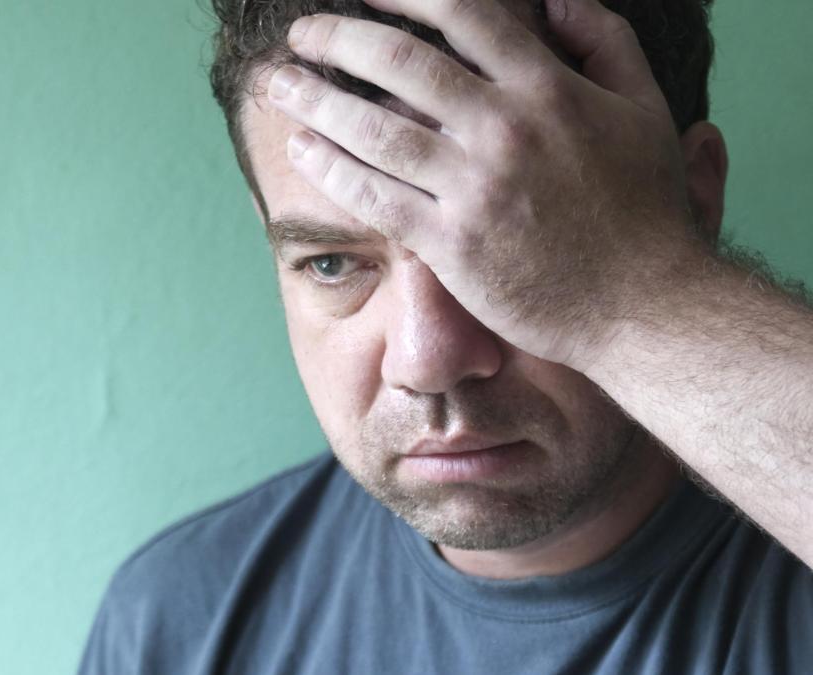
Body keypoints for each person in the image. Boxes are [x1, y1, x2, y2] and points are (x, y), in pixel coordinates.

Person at [79, 0, 813, 671]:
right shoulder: (175, 626)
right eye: (332, 262)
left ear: (694, 197)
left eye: (517, 244)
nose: (426, 360)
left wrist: (640, 295)